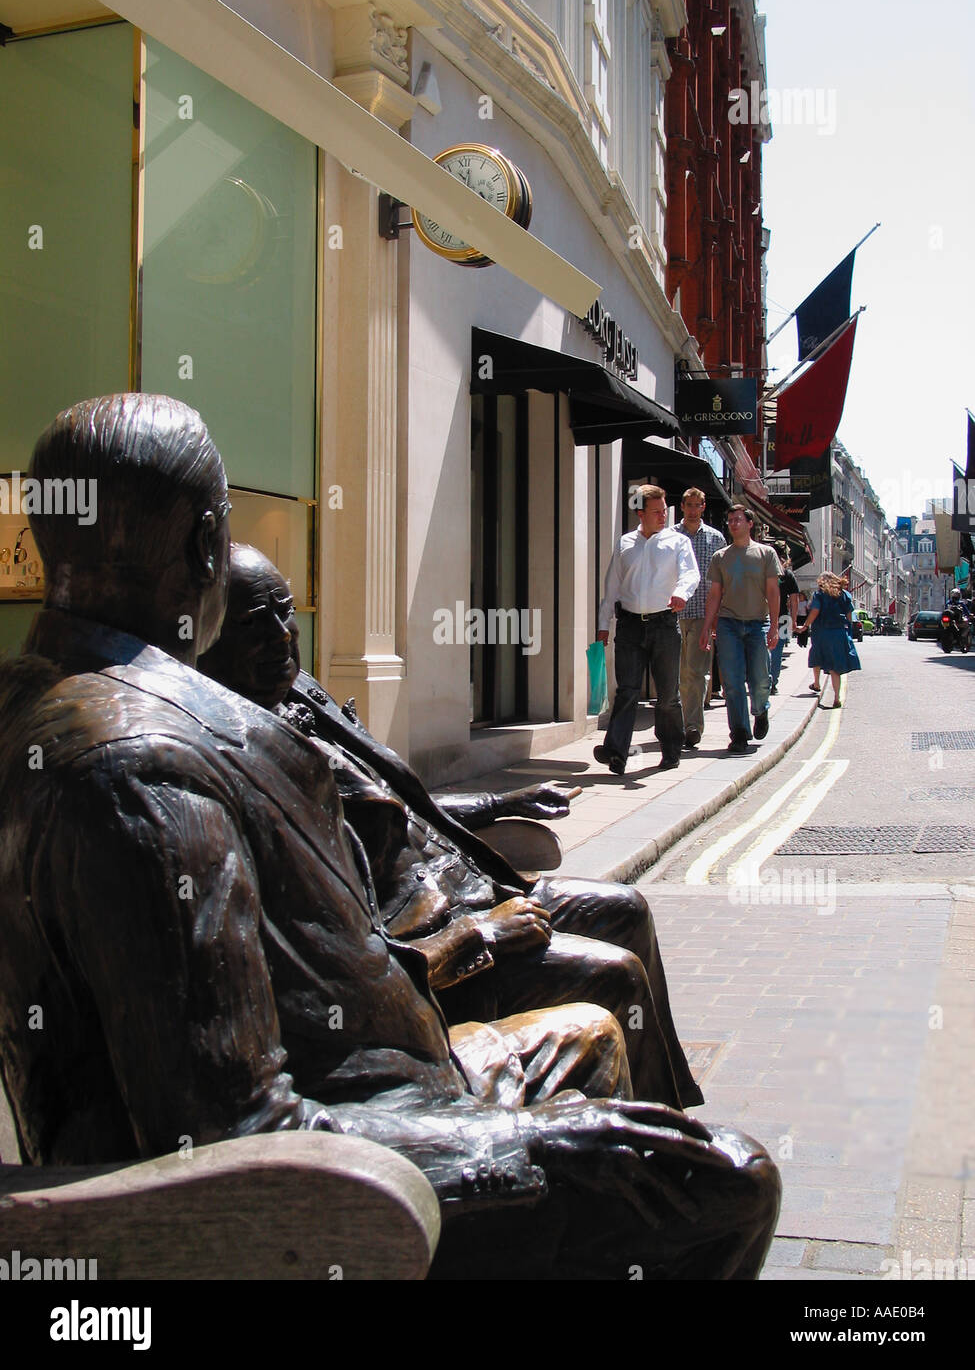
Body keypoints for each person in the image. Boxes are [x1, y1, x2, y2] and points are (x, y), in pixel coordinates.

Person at [0, 394, 779, 1280]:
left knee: (591, 1033)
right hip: (330, 1170)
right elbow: (237, 1145)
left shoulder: (47, 697)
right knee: (726, 1180)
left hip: (380, 1077)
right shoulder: (141, 762)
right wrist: (524, 1149)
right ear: (202, 546)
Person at [199, 544, 704, 1109]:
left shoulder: (304, 696)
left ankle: (671, 1113)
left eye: (285, 612)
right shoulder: (239, 756)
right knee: (617, 975)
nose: (281, 637)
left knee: (628, 909)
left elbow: (409, 803)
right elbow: (327, 958)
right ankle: (654, 1146)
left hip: (467, 887)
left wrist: (500, 801)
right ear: (205, 637)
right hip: (431, 941)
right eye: (251, 623)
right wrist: (479, 934)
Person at [594, 484, 699, 774]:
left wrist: (681, 593)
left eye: (664, 511)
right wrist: (604, 624)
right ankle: (616, 752)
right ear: (641, 513)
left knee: (667, 695)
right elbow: (611, 586)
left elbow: (691, 573)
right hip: (628, 625)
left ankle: (671, 749)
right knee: (627, 691)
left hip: (664, 624)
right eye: (656, 512)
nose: (662, 516)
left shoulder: (678, 543)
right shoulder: (625, 543)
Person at [699, 503, 780, 756]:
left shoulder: (766, 553)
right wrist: (706, 627)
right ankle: (740, 734)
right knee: (732, 682)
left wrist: (775, 626)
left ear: (750, 524)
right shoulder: (721, 557)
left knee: (759, 679)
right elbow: (714, 595)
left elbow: (773, 592)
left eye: (738, 520)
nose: (733, 524)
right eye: (730, 520)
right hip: (728, 624)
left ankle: (761, 709)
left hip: (757, 623)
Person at [674, 487, 725, 747]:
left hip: (702, 616)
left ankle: (692, 727)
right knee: (677, 674)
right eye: (689, 505)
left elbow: (722, 581)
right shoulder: (670, 536)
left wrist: (716, 617)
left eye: (698, 505)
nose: (693, 510)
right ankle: (677, 724)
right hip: (673, 615)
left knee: (695, 672)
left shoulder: (716, 539)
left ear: (704, 507)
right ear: (682, 507)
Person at [795, 572, 860, 709]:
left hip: (822, 632)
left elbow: (815, 611)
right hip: (839, 632)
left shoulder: (819, 595)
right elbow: (849, 615)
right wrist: (847, 631)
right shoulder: (844, 595)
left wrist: (805, 626)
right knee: (835, 668)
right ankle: (836, 698)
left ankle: (817, 683)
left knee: (817, 655)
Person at [769, 542, 800, 694]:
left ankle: (765, 680)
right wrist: (794, 620)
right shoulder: (788, 574)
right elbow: (794, 599)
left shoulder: (765, 570)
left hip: (764, 615)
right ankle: (773, 681)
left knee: (764, 650)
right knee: (777, 650)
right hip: (783, 618)